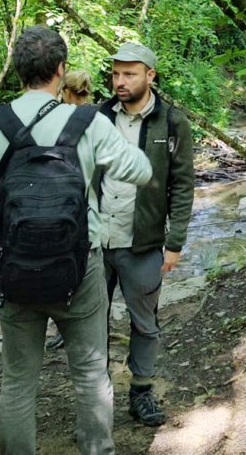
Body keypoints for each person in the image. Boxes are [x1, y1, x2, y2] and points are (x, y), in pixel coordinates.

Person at [0, 27, 152, 455]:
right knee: (89, 372)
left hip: (13, 269)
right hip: (79, 268)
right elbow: (140, 170)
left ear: (17, 72)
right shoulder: (87, 122)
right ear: (61, 70)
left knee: (17, 381)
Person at [97, 42, 194, 427]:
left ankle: (141, 392)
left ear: (150, 75)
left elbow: (182, 185)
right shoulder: (97, 116)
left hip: (144, 243)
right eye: (116, 73)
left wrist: (175, 243)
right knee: (90, 322)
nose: (120, 81)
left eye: (129, 74)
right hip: (95, 242)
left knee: (145, 322)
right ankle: (96, 398)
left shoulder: (172, 123)